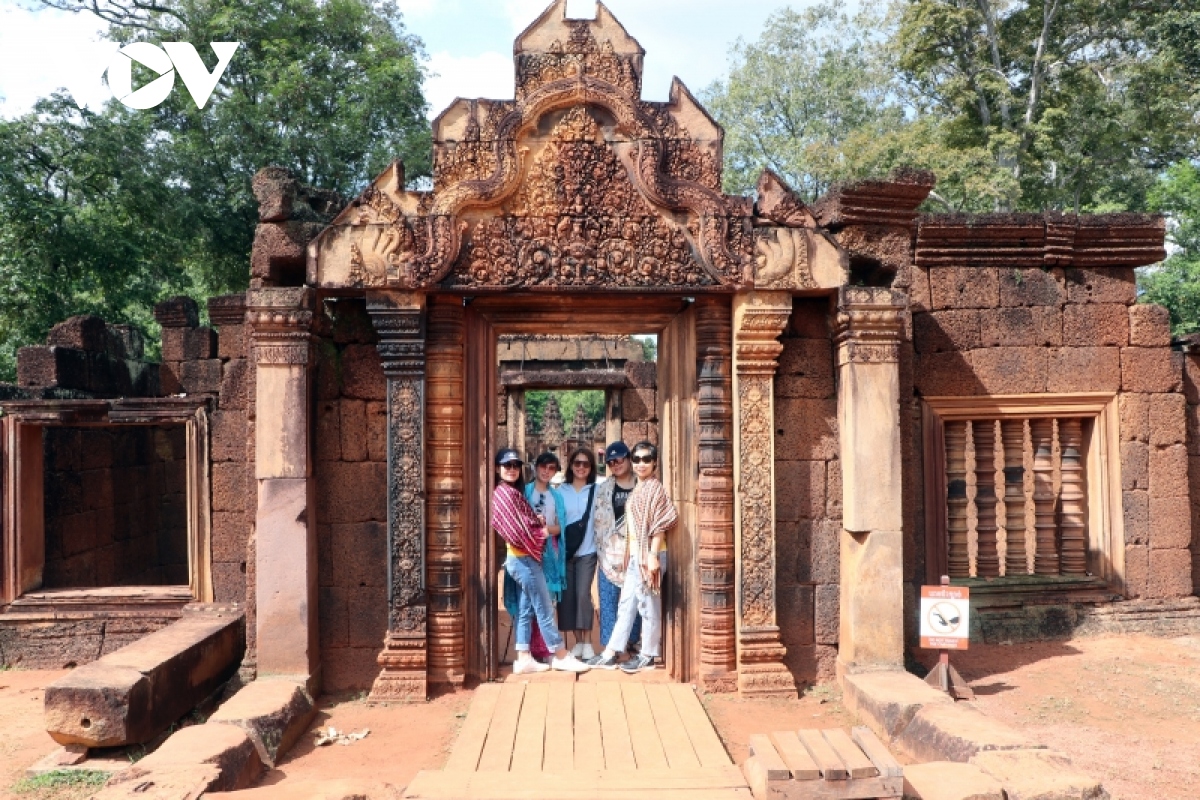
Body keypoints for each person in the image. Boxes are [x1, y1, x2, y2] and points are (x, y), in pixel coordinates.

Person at [492, 448, 588, 675]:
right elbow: (516, 531)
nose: (512, 470)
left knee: (526, 608)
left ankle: (523, 656)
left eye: (516, 466)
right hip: (523, 558)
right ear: (498, 468)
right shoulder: (506, 494)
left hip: (528, 557)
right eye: (507, 466)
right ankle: (560, 654)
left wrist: (536, 524)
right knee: (544, 607)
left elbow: (528, 524)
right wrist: (537, 529)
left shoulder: (513, 492)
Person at [588, 441, 676, 673]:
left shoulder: (655, 488)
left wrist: (654, 555)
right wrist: (629, 549)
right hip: (637, 554)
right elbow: (633, 525)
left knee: (648, 605)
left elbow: (660, 524)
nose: (640, 464)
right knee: (626, 604)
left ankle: (647, 654)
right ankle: (610, 652)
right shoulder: (639, 487)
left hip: (651, 554)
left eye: (646, 459)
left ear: (655, 462)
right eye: (637, 459)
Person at [590, 441, 641, 657]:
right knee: (608, 599)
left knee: (636, 598)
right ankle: (610, 646)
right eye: (611, 461)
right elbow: (599, 522)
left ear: (628, 458)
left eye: (619, 459)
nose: (615, 464)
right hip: (609, 552)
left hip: (637, 549)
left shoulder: (643, 486)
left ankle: (633, 640)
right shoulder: (603, 489)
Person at [558, 447, 599, 660]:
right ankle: (577, 642)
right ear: (571, 465)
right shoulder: (559, 491)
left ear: (591, 467)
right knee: (567, 598)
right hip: (564, 553)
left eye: (586, 464)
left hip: (588, 552)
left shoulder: (597, 490)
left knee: (583, 595)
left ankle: (587, 642)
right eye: (577, 463)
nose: (581, 467)